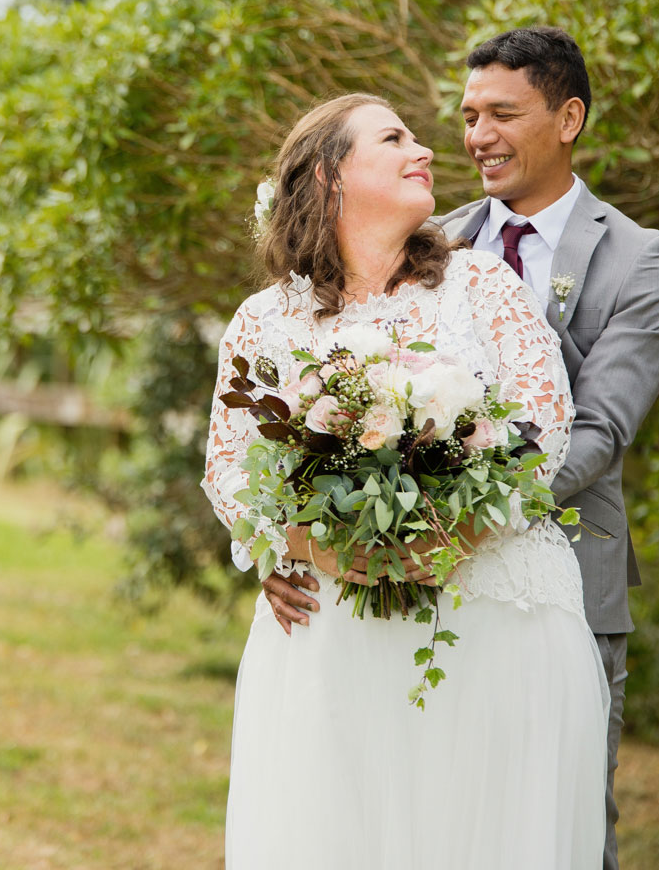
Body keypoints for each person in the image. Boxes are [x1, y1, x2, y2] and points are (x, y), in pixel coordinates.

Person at [258, 28, 659, 870]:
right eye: (466, 115)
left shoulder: (642, 260)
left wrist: (456, 524)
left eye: (501, 113)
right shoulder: (429, 239)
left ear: (568, 118)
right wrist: (301, 536)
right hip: (399, 595)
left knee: (559, 829)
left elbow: (597, 430)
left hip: (553, 578)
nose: (475, 136)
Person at [202, 92, 609, 868]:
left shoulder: (482, 286)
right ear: (330, 178)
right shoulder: (265, 320)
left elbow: (543, 431)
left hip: (494, 622)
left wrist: (452, 536)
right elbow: (229, 468)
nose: (425, 150)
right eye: (394, 138)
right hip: (333, 636)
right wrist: (308, 547)